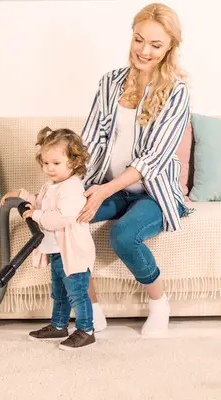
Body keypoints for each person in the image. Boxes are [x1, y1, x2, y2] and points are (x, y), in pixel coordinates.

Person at [77, 3, 191, 337]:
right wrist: (66, 191)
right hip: (108, 185)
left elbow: (153, 159)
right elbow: (88, 142)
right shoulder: (110, 82)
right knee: (66, 222)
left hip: (152, 195)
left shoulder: (177, 93)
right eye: (139, 40)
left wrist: (103, 193)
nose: (144, 51)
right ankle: (90, 309)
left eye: (156, 45)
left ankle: (159, 303)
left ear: (170, 47)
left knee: (123, 235)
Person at [1, 127, 96, 350]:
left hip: (73, 253)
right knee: (59, 292)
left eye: (56, 163)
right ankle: (59, 325)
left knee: (77, 293)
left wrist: (36, 215)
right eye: (45, 163)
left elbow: (61, 218)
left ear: (73, 162)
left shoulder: (72, 188)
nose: (49, 169)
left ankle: (86, 329)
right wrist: (22, 195)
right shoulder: (51, 186)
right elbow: (40, 201)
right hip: (55, 251)